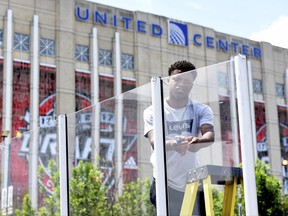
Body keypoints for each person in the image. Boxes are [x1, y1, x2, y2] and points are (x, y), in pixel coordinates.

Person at [143, 60, 215, 215]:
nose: (182, 84)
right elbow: (155, 142)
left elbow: (209, 134)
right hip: (164, 182)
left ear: (192, 85)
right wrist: (173, 144)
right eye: (177, 79)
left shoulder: (201, 110)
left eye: (187, 81)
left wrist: (198, 141)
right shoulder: (153, 110)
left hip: (192, 181)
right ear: (168, 81)